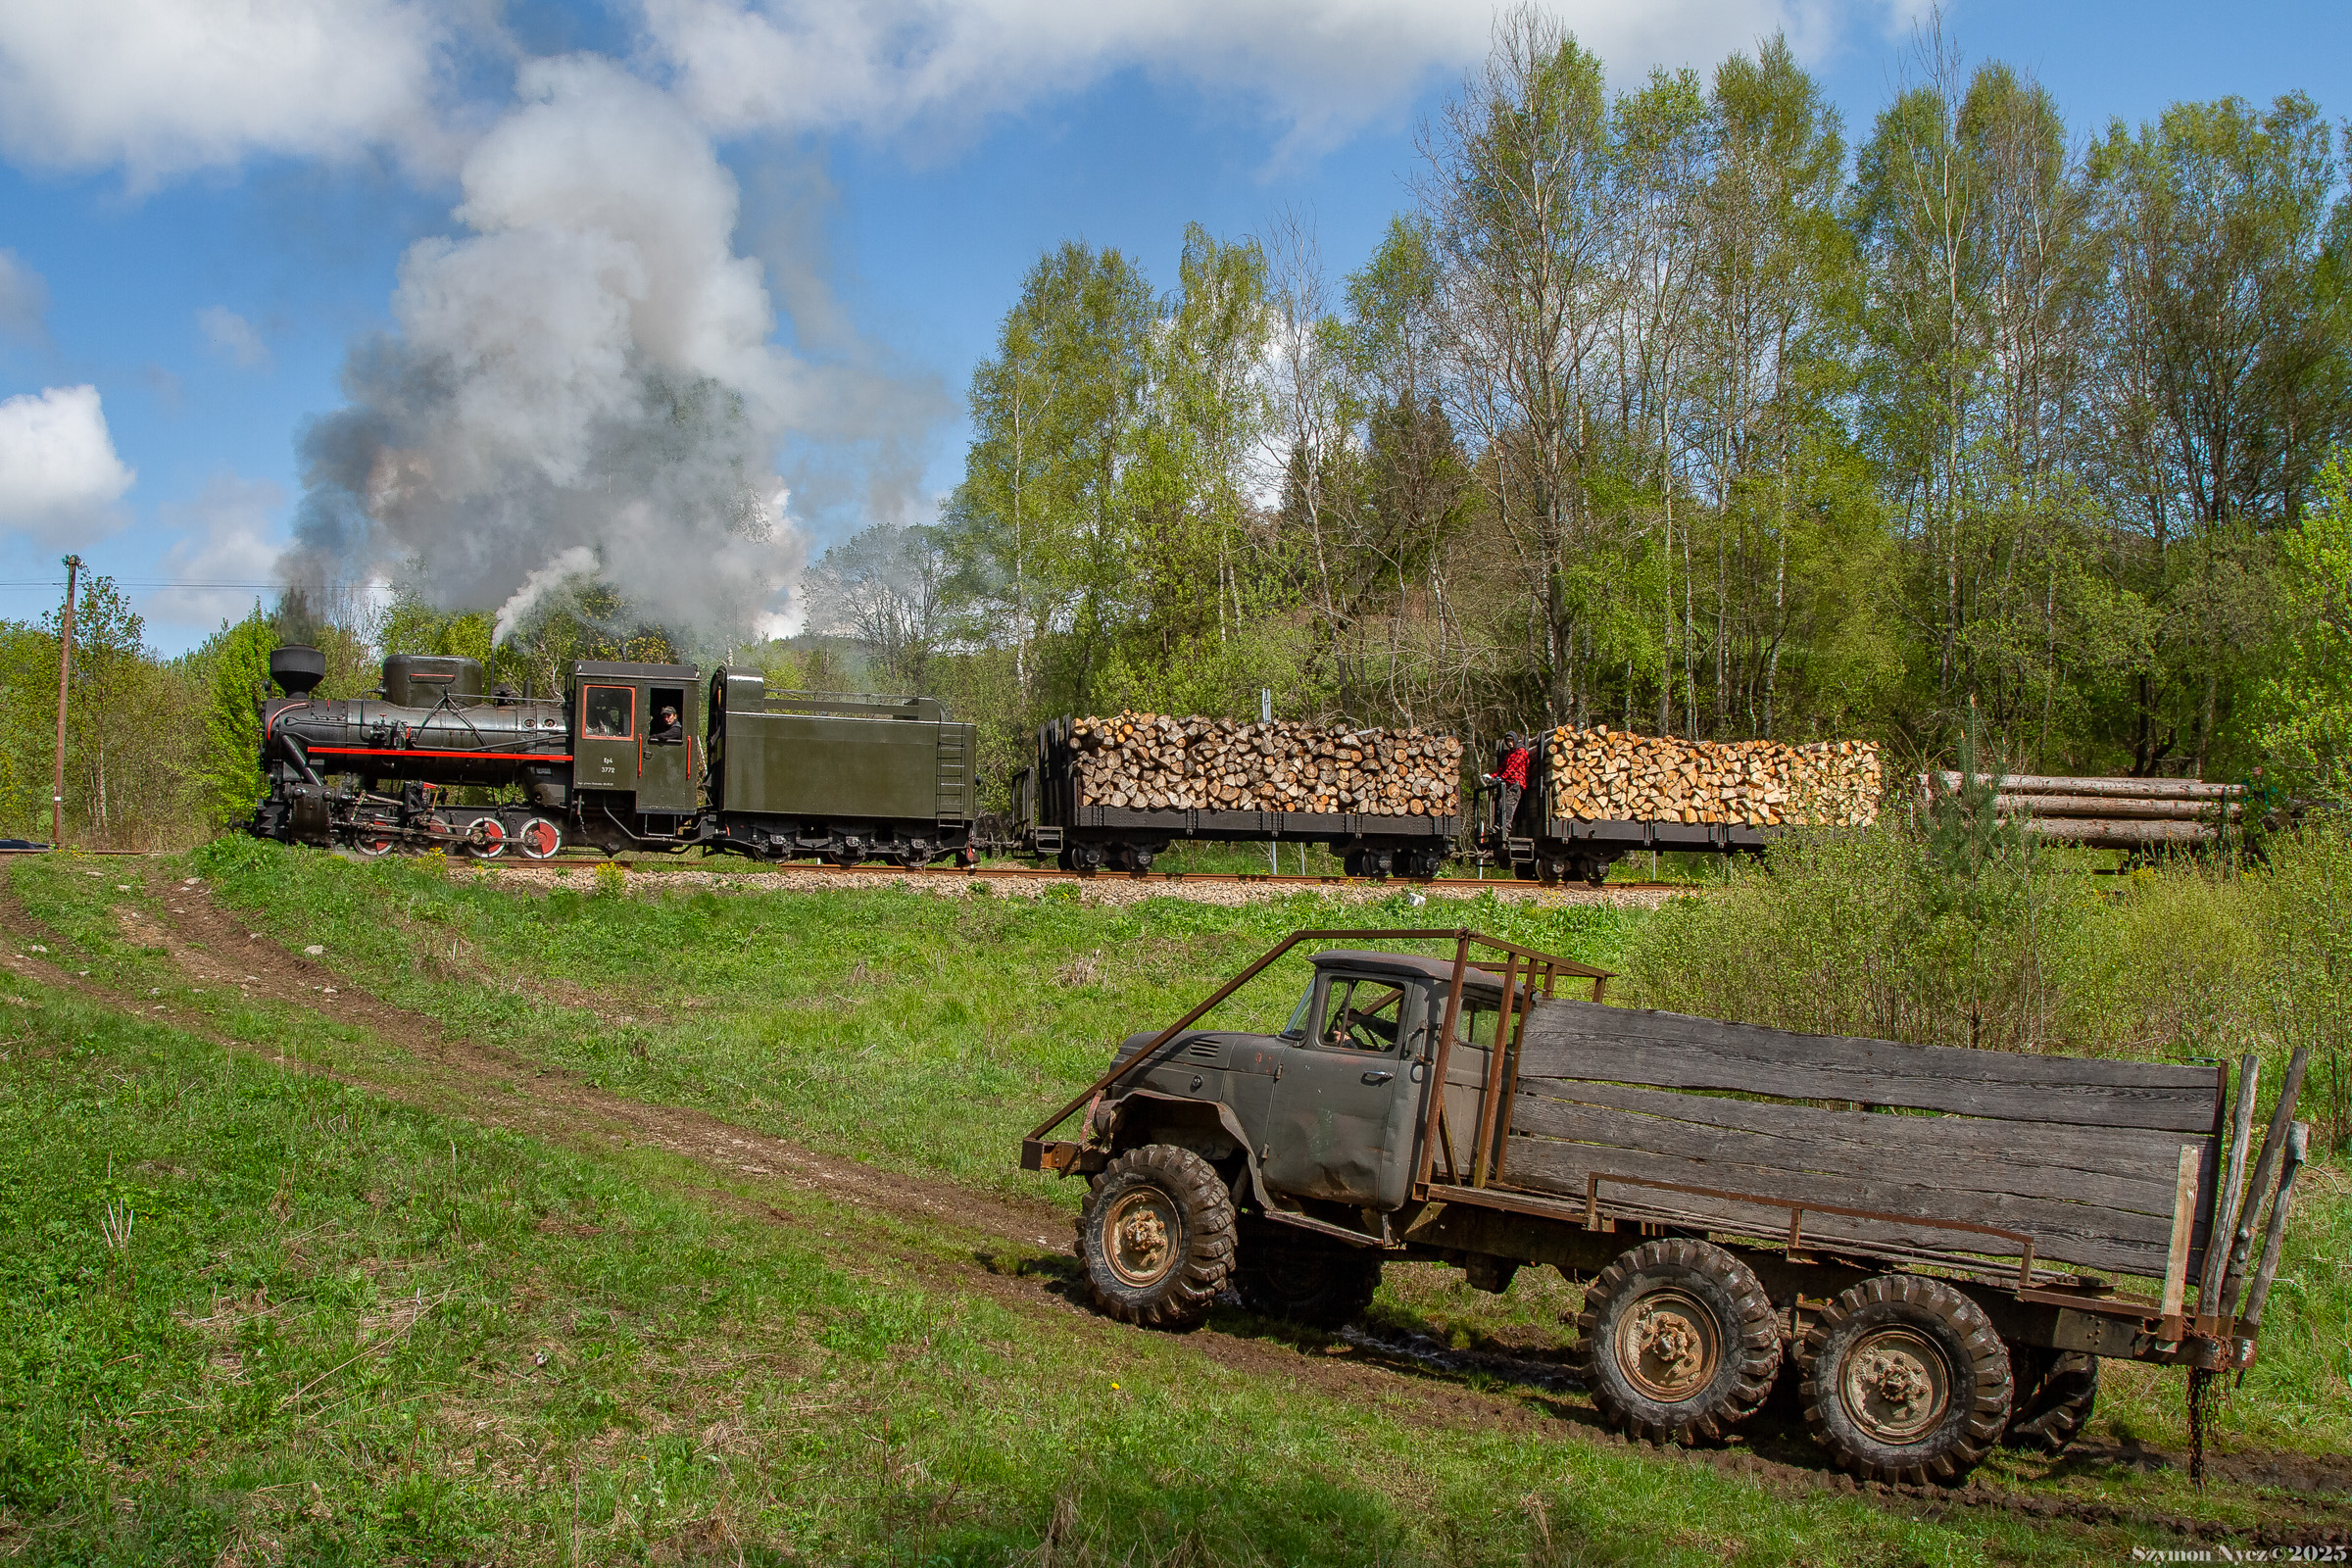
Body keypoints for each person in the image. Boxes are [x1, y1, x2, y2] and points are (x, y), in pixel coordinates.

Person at [1489, 731, 1531, 837]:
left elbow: (1513, 767)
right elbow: (1503, 767)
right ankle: (1498, 826)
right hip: (1508, 783)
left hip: (1516, 783)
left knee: (1509, 805)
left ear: (1515, 740)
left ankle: (1505, 828)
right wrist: (1492, 776)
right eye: (1508, 741)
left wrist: (1501, 778)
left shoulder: (1521, 752)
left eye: (1511, 741)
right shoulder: (1511, 753)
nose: (1510, 743)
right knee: (1501, 803)